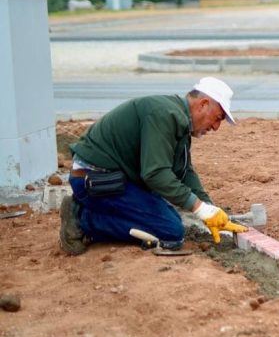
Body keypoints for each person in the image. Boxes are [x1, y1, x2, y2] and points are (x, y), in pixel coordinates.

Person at [60, 77, 248, 255]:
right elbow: (156, 174)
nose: (216, 127)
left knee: (166, 216)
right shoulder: (164, 115)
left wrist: (211, 209)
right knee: (171, 232)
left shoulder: (178, 119)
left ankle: (92, 210)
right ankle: (82, 219)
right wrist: (200, 210)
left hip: (111, 177)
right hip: (94, 179)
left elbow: (184, 172)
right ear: (203, 104)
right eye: (218, 118)